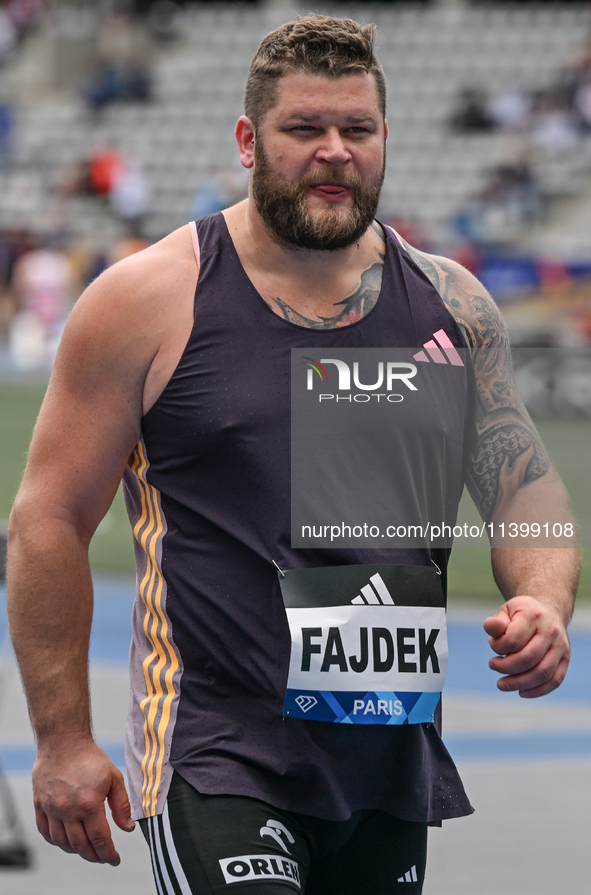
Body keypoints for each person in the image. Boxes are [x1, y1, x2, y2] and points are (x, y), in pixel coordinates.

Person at [6, 14, 579, 895]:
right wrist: (63, 738)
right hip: (218, 753)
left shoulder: (452, 305)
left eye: (356, 129)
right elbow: (47, 519)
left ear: (385, 135)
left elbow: (523, 488)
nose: (334, 152)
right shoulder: (149, 299)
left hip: (386, 758)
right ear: (247, 140)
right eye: (303, 130)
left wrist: (540, 599)